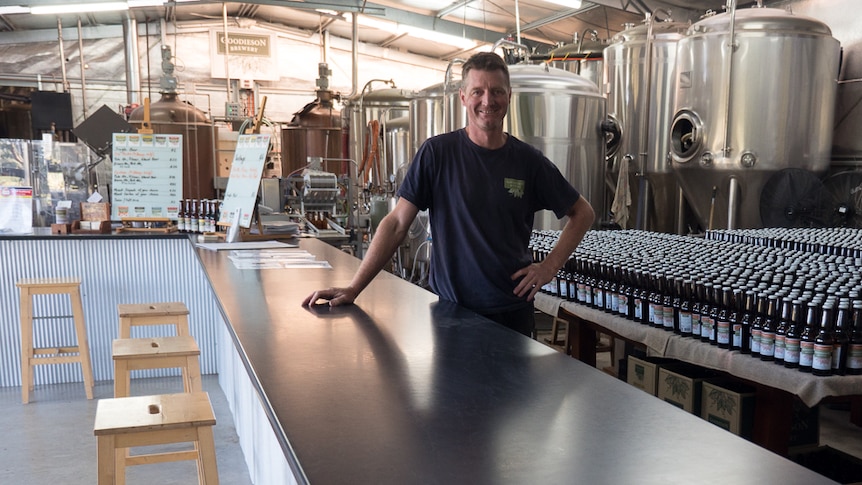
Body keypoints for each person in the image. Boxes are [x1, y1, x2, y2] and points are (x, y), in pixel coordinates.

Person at [303, 51, 595, 337]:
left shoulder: (528, 161)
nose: (487, 101)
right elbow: (396, 224)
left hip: (512, 314)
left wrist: (549, 267)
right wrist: (354, 287)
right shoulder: (437, 153)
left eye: (496, 92)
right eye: (478, 91)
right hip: (452, 314)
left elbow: (583, 213)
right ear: (463, 97)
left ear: (509, 96)